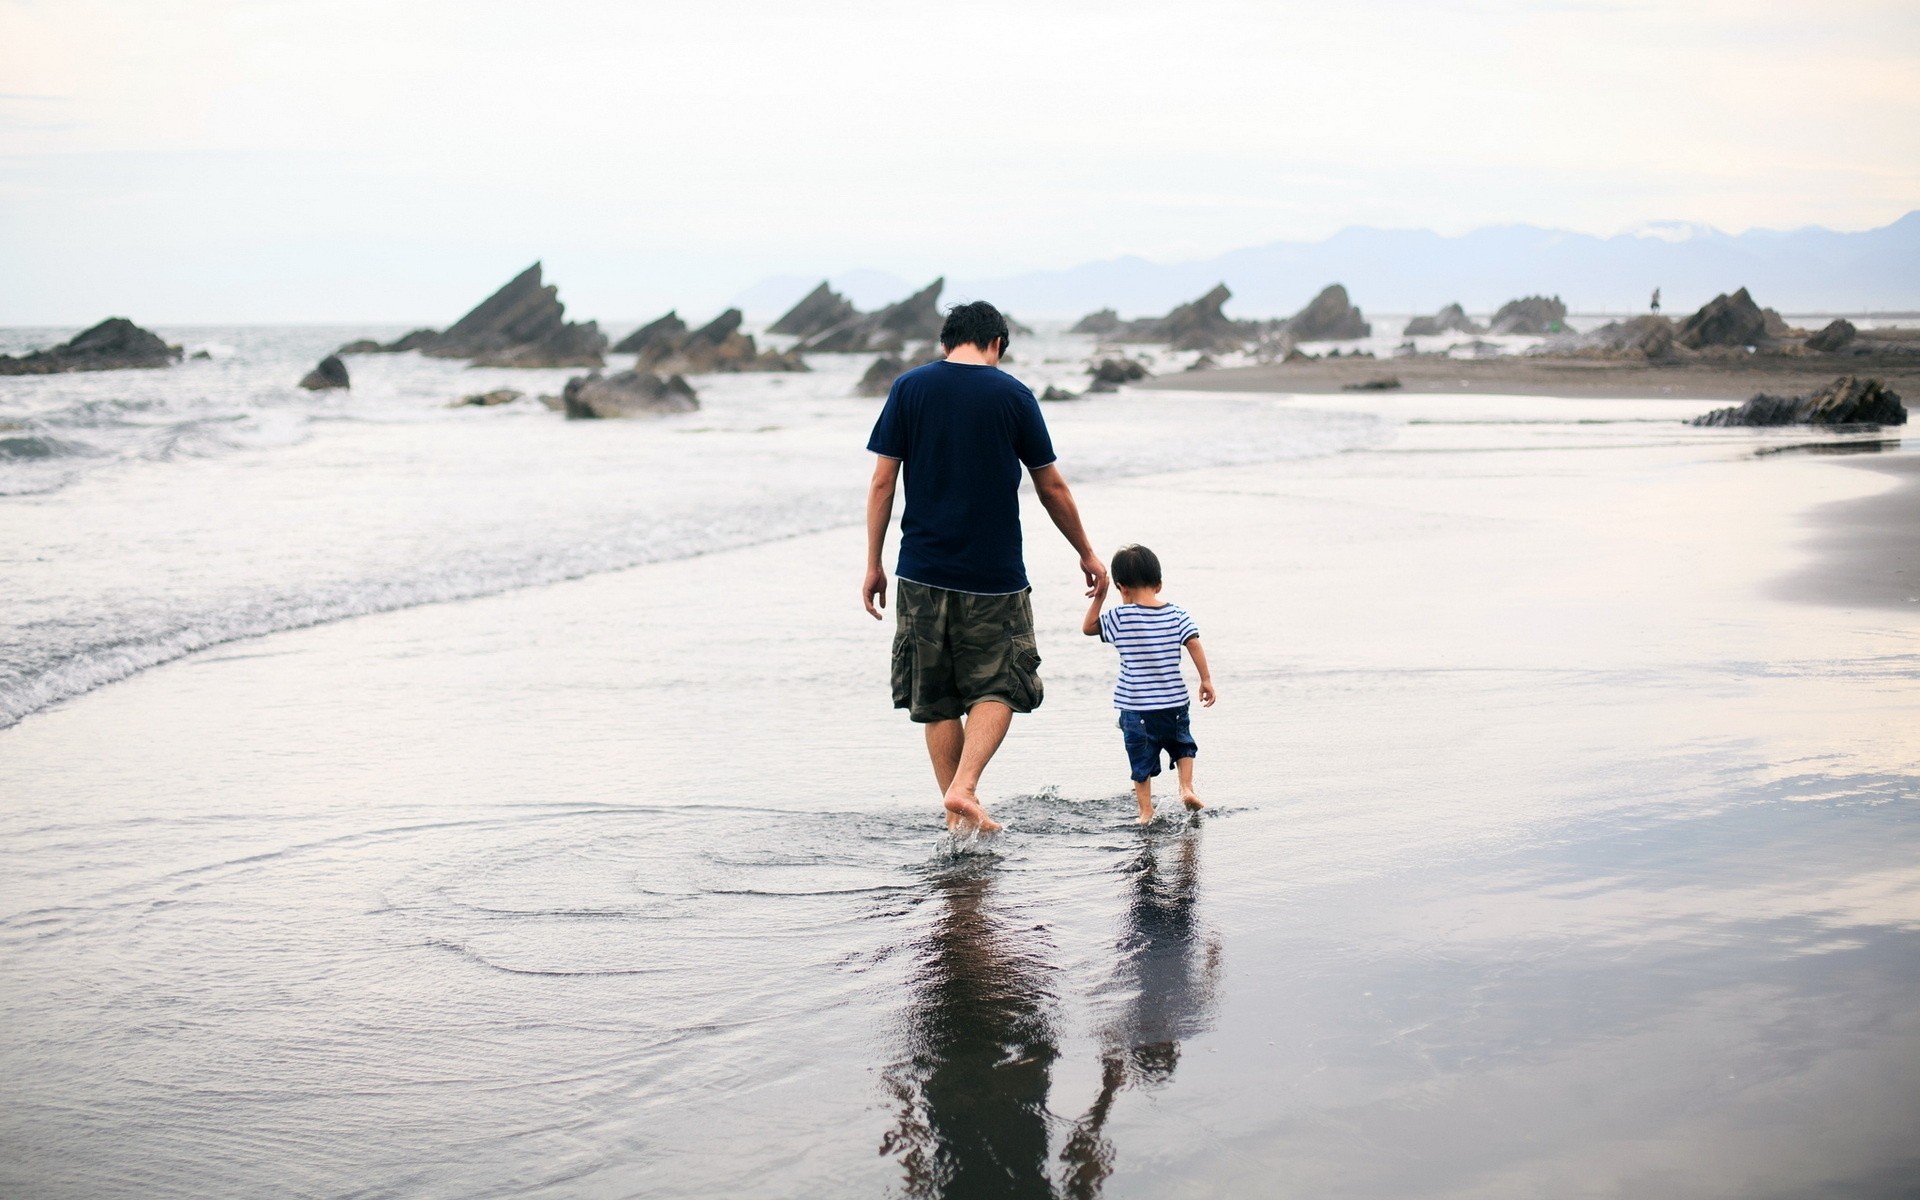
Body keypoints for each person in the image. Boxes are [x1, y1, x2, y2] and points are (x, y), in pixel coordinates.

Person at [864, 300, 1106, 834]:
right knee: (1000, 684)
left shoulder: (908, 388)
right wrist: (1085, 551)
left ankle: (957, 821)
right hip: (993, 575)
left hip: (920, 572)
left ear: (946, 342)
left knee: (937, 698)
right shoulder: (1013, 395)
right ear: (997, 343)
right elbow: (1051, 486)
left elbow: (883, 482)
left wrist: (874, 563)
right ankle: (965, 788)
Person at [1083, 544, 1215, 823]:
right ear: (1159, 584)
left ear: (1122, 588)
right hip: (1174, 702)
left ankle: (1145, 811)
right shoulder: (1177, 614)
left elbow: (1089, 627)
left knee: (1140, 758)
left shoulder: (1120, 617)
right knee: (1182, 744)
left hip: (1136, 708)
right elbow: (1194, 643)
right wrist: (1205, 680)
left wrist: (1100, 595)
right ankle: (1186, 788)